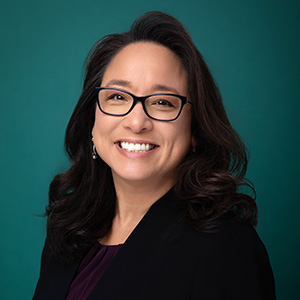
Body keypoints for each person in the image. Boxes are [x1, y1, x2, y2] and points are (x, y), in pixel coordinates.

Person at [33, 11, 276, 300]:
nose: (137, 122)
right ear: (92, 120)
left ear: (195, 129)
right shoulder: (68, 230)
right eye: (118, 97)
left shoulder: (226, 247)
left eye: (162, 102)